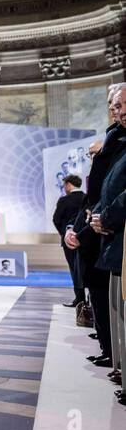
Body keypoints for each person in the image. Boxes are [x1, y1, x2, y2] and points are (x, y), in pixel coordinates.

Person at [67, 84, 126, 369]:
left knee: (114, 307)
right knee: (111, 308)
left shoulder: (117, 143)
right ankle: (115, 359)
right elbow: (99, 197)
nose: (116, 111)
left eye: (119, 105)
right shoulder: (115, 141)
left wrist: (105, 216)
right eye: (113, 106)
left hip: (114, 233)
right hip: (105, 235)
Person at [53, 173, 85, 308]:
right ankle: (91, 300)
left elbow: (56, 219)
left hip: (69, 242)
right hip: (87, 240)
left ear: (68, 184)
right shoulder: (86, 198)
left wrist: (65, 234)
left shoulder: (64, 200)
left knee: (74, 269)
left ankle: (80, 299)